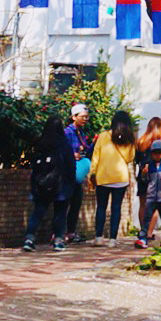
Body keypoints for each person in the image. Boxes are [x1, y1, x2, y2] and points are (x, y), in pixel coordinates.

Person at [23, 111, 75, 251]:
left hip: (41, 184)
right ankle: (58, 240)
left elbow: (34, 165)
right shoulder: (64, 144)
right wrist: (71, 184)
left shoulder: (41, 143)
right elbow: (70, 165)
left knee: (38, 211)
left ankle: (29, 238)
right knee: (60, 213)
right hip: (60, 185)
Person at [89, 109, 137, 243]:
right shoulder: (129, 139)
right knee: (116, 207)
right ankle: (112, 239)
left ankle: (98, 237)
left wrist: (92, 172)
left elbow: (95, 156)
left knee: (101, 207)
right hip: (120, 178)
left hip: (103, 176)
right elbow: (129, 158)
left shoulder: (103, 136)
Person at [135, 117, 161, 248]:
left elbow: (136, 159)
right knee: (155, 208)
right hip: (154, 179)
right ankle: (148, 233)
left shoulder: (141, 141)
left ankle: (143, 232)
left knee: (144, 205)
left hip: (144, 175)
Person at [63, 103, 93, 243]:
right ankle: (60, 233)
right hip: (68, 173)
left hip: (77, 174)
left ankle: (71, 233)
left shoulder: (81, 133)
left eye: (87, 117)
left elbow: (86, 150)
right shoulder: (68, 132)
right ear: (74, 117)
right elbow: (63, 149)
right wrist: (72, 154)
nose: (85, 119)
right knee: (64, 204)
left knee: (76, 204)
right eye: (82, 117)